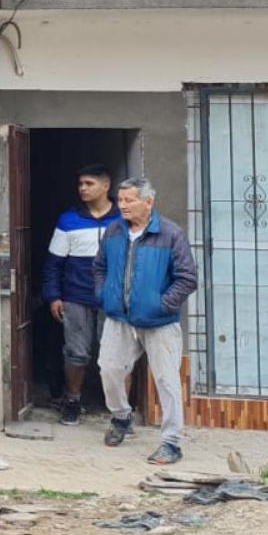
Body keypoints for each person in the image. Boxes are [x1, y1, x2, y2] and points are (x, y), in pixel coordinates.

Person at [91, 177, 198, 465]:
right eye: (121, 200)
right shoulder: (113, 231)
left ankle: (171, 442)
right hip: (120, 318)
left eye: (129, 200)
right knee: (109, 370)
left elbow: (187, 279)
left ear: (148, 202)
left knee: (167, 380)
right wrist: (104, 294)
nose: (122, 206)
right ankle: (122, 416)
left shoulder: (170, 234)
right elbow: (99, 267)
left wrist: (162, 305)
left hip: (160, 322)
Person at [41, 163, 121, 425]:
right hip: (76, 297)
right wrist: (53, 296)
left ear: (106, 186)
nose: (83, 189)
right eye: (80, 184)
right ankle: (72, 401)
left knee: (116, 355)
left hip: (113, 298)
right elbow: (54, 263)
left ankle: (121, 411)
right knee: (76, 352)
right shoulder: (69, 220)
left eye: (89, 183)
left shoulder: (123, 219)